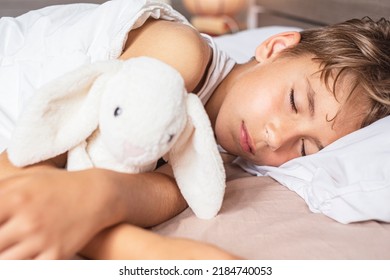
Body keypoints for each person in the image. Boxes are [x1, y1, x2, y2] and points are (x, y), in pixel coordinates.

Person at [0, 0, 389, 259]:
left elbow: (157, 191)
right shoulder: (182, 52)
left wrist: (101, 204)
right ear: (274, 47)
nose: (275, 136)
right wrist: (144, 250)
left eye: (304, 149)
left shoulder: (209, 153)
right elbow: (20, 172)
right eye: (293, 102)